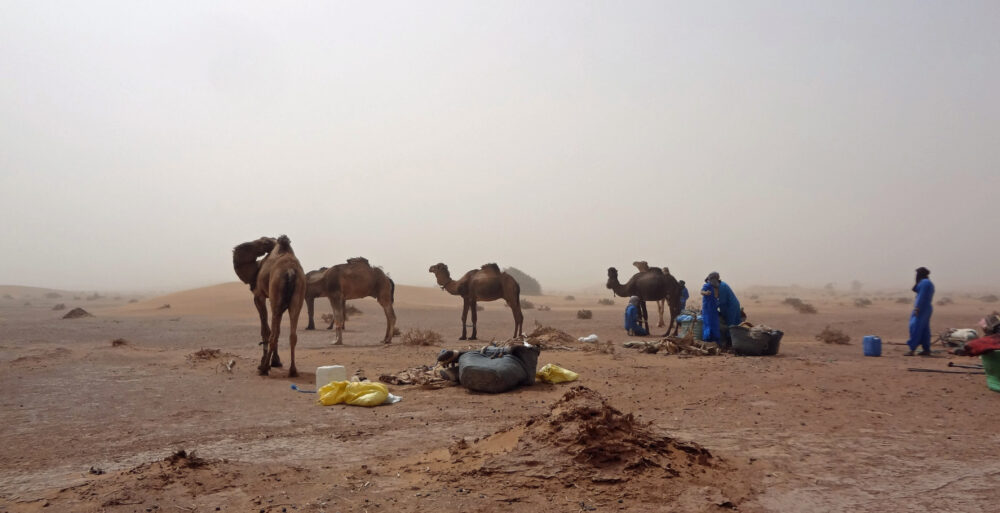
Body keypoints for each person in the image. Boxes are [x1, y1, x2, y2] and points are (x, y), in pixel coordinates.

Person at [905, 267, 935, 356]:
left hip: (921, 308)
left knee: (915, 327)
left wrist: (917, 307)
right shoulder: (928, 282)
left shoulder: (924, 283)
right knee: (924, 329)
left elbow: (921, 296)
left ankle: (912, 349)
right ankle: (926, 349)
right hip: (927, 308)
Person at [713, 272, 742, 349]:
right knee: (733, 323)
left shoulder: (722, 287)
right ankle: (733, 343)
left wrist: (713, 307)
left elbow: (722, 302)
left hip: (731, 307)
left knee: (731, 325)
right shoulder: (721, 285)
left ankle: (731, 344)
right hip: (731, 306)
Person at [700, 275, 720, 342]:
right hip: (707, 308)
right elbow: (701, 292)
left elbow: (717, 296)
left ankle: (715, 339)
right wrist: (706, 293)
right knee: (707, 323)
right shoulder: (707, 285)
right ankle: (707, 339)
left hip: (714, 308)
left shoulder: (716, 286)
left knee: (714, 324)